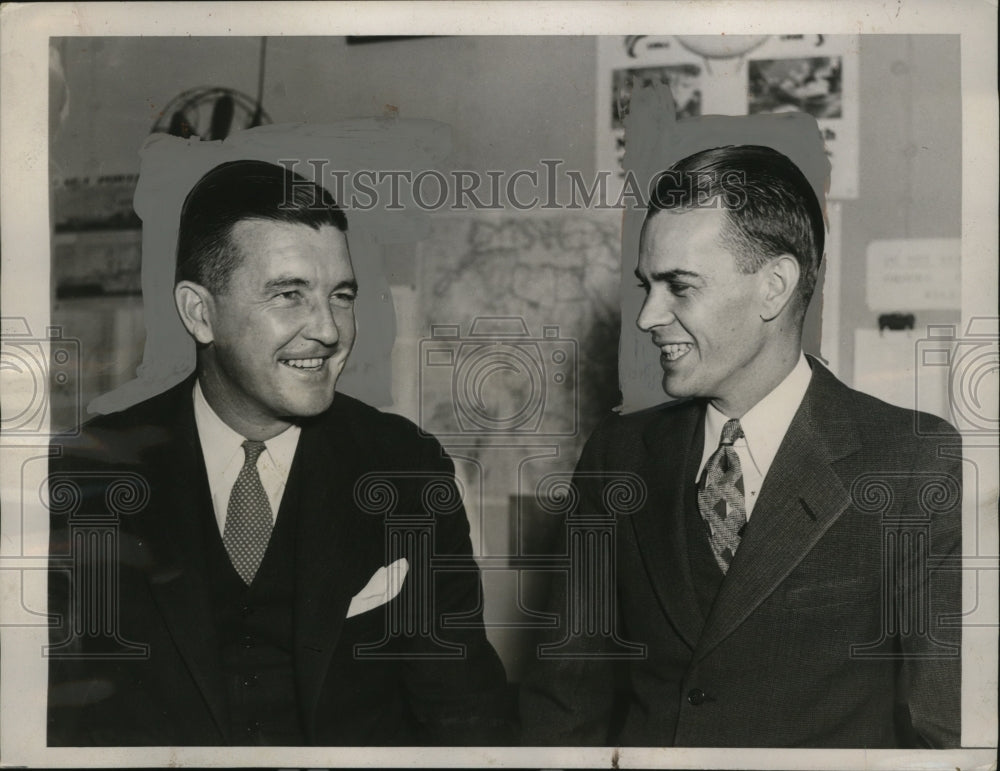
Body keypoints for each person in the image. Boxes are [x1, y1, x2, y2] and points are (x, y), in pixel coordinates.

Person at [47, 160, 511, 746]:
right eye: (289, 294)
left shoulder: (408, 470)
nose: (329, 329)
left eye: (341, 296)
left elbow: (466, 712)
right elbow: (52, 715)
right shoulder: (86, 470)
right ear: (200, 312)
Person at [520, 145, 962, 748]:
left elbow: (939, 731)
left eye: (679, 286)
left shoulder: (912, 462)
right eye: (647, 286)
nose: (649, 316)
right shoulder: (618, 455)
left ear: (774, 287)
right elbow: (564, 703)